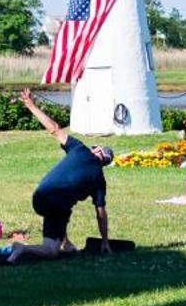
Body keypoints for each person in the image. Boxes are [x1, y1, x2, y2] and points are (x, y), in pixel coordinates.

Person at [11, 89, 112, 261]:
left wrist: (31, 106)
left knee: (63, 209)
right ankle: (21, 248)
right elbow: (100, 212)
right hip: (55, 204)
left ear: (95, 150)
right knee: (51, 251)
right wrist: (105, 242)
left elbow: (54, 129)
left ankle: (66, 242)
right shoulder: (98, 179)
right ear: (104, 163)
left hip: (40, 196)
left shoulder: (79, 148)